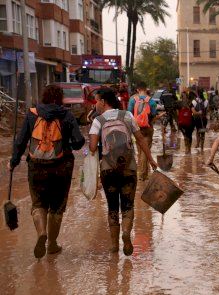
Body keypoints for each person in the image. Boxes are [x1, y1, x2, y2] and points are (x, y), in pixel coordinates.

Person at [9, 85, 85, 258]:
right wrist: (71, 146)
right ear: (60, 98)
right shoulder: (66, 115)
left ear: (43, 96)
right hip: (61, 167)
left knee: (38, 205)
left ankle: (41, 232)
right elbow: (79, 141)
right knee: (56, 208)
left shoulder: (32, 113)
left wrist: (13, 162)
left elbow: (20, 141)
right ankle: (51, 244)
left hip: (36, 167)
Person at [89, 88, 158, 255]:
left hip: (108, 170)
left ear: (103, 101)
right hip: (128, 168)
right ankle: (126, 234)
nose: (96, 104)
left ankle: (114, 247)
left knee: (112, 207)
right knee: (127, 205)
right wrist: (150, 160)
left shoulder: (98, 120)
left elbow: (92, 148)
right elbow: (140, 138)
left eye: (97, 101)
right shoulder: (127, 116)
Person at [127, 82, 163, 181]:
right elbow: (153, 115)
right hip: (148, 128)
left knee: (140, 151)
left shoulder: (132, 99)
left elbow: (129, 114)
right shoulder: (151, 101)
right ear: (146, 89)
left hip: (136, 128)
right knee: (145, 151)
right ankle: (142, 175)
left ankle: (143, 174)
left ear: (137, 89)